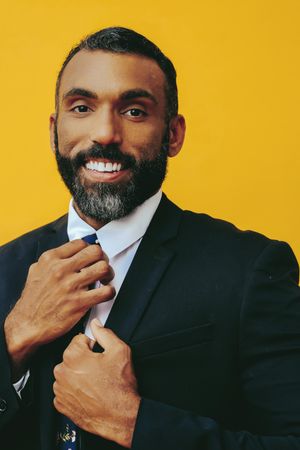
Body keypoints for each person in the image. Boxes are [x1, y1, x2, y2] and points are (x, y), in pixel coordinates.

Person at [0, 26, 299, 450]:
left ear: (173, 134)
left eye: (134, 111)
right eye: (82, 107)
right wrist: (15, 340)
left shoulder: (251, 269)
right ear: (54, 130)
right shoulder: (3, 269)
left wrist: (133, 423)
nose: (104, 133)